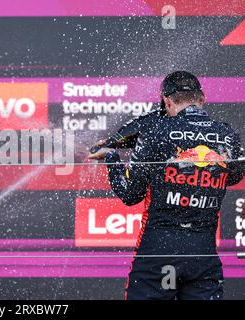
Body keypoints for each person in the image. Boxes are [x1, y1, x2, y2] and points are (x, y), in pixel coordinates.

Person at [89, 71, 244, 300]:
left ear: (167, 101)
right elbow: (233, 176)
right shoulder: (227, 135)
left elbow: (130, 194)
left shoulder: (155, 132)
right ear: (202, 99)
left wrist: (112, 157)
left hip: (157, 254)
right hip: (203, 257)